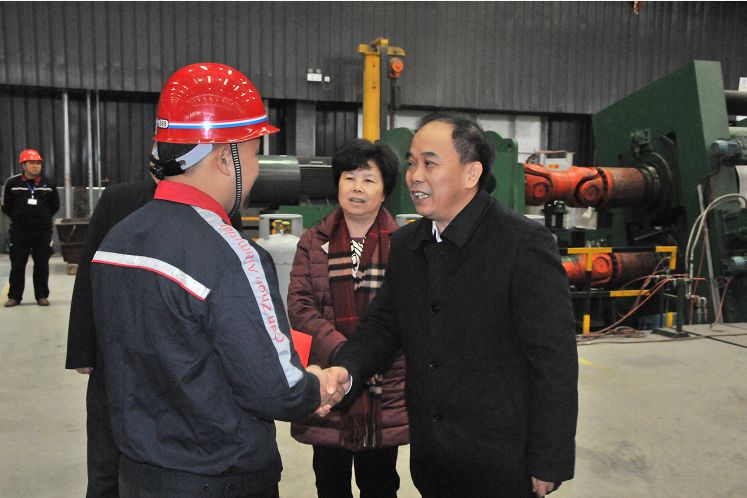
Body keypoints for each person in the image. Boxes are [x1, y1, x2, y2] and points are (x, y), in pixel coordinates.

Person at [88, 62, 346, 498]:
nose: (259, 167)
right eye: (254, 152)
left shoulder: (119, 238)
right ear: (225, 157)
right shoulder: (232, 255)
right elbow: (275, 390)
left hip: (136, 472)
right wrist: (317, 384)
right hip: (218, 477)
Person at [329, 113, 578, 497]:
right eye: (412, 163)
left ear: (470, 173)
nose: (414, 175)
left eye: (430, 163)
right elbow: (383, 324)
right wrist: (347, 370)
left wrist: (549, 458)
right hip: (433, 458)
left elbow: (554, 361)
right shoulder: (408, 245)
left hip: (501, 461)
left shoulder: (522, 244)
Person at [65, 173, 244, 498]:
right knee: (107, 462)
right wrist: (83, 348)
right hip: (117, 352)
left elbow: (232, 286)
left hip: (184, 358)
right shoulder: (120, 198)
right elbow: (91, 269)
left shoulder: (218, 202)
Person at [287, 139, 408, 498]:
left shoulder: (403, 245)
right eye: (349, 177)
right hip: (326, 384)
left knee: (381, 484)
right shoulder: (312, 242)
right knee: (329, 482)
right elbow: (299, 307)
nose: (357, 188)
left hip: (384, 385)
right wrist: (348, 356)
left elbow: (404, 314)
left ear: (385, 190)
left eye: (368, 180)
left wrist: (364, 360)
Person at [2, 148, 60, 307]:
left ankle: (41, 295)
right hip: (20, 233)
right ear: (23, 165)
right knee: (17, 265)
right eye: (32, 163)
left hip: (42, 233)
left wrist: (42, 219)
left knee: (42, 265)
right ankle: (14, 296)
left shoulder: (48, 184)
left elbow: (55, 205)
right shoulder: (12, 184)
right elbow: (6, 206)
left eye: (38, 163)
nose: (36, 166)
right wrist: (19, 218)